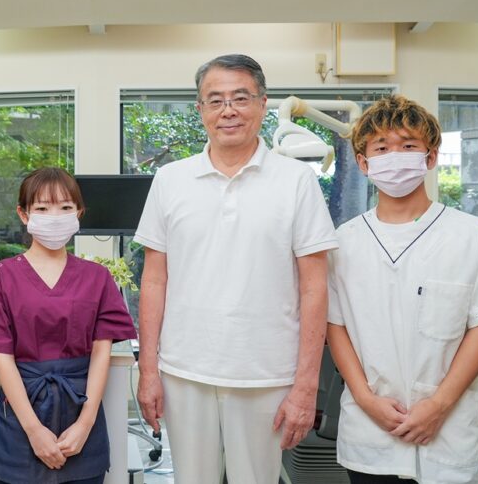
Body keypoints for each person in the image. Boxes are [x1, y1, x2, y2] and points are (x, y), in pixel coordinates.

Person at [134, 54, 339, 483]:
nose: (228, 110)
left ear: (262, 105)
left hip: (267, 373)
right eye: (216, 100)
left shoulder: (296, 181)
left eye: (240, 98)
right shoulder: (170, 180)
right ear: (201, 110)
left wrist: (306, 386)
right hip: (184, 370)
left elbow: (314, 287)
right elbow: (154, 280)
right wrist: (148, 371)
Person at [326, 95, 478, 484]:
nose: (395, 157)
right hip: (371, 430)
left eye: (408, 146)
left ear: (431, 157)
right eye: (382, 148)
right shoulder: (344, 242)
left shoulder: (472, 235)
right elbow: (335, 325)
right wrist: (367, 400)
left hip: (449, 431)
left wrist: (439, 404)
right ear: (363, 163)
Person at [0, 167, 137, 484]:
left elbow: (101, 354)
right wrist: (33, 430)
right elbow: (2, 358)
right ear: (24, 214)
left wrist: (85, 424)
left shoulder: (97, 278)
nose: (54, 217)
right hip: (20, 418)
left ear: (79, 213)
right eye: (42, 208)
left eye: (65, 207)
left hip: (81, 411)